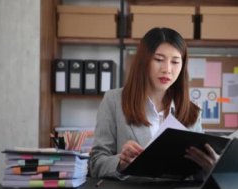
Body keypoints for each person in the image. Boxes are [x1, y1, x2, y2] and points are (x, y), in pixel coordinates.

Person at [90, 27, 218, 180]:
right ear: (144, 61)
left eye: (175, 62)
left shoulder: (192, 111)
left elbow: (196, 176)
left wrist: (211, 167)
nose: (167, 70)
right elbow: (95, 163)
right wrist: (121, 163)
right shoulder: (114, 100)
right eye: (158, 60)